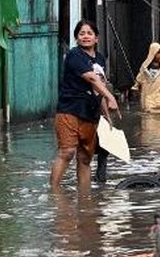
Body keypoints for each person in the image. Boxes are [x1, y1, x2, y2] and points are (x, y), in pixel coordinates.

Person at [50, 19, 119, 190]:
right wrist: (111, 96)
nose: (86, 36)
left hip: (90, 114)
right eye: (82, 34)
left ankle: (85, 197)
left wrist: (106, 116)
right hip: (69, 111)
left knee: (85, 157)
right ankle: (54, 193)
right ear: (77, 38)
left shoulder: (100, 59)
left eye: (89, 33)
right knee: (67, 152)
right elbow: (92, 79)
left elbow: (98, 89)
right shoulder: (75, 55)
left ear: (96, 38)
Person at [131, 41, 160, 112]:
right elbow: (139, 79)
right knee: (149, 116)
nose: (159, 55)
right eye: (158, 53)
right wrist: (136, 87)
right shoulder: (144, 68)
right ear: (153, 53)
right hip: (148, 99)